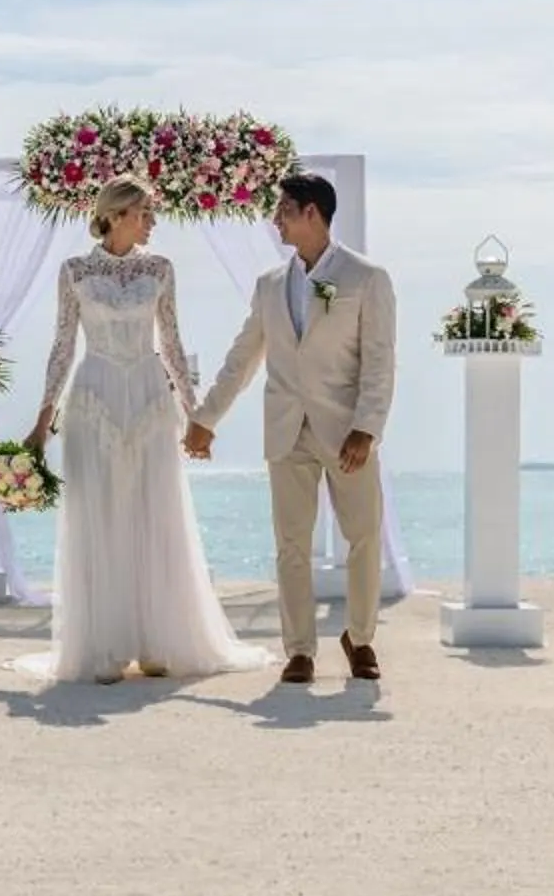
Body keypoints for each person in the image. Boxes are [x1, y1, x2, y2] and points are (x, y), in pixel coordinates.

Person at [20, 175, 268, 686]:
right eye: (144, 213)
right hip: (94, 399)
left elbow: (173, 342)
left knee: (156, 513)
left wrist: (197, 414)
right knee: (99, 515)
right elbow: (63, 345)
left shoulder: (160, 268)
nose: (152, 222)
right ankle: (104, 644)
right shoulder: (74, 271)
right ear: (116, 214)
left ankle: (157, 641)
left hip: (150, 398)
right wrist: (43, 420)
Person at [185, 173, 397, 684]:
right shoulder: (269, 285)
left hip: (347, 433)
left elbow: (380, 361)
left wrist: (366, 428)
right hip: (286, 431)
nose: (275, 220)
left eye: (283, 210)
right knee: (291, 544)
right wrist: (205, 419)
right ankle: (299, 649)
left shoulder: (366, 278)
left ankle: (361, 637)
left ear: (312, 214)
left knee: (363, 536)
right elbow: (242, 358)